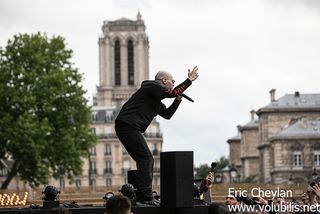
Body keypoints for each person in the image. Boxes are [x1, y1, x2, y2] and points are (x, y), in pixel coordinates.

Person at [115, 66, 199, 205]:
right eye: (172, 81)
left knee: (144, 159)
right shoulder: (151, 86)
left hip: (127, 127)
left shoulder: (154, 99)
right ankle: (145, 196)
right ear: (164, 80)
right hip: (128, 125)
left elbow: (167, 115)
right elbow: (172, 92)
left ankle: (143, 195)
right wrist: (189, 81)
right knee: (146, 158)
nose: (173, 83)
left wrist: (177, 100)